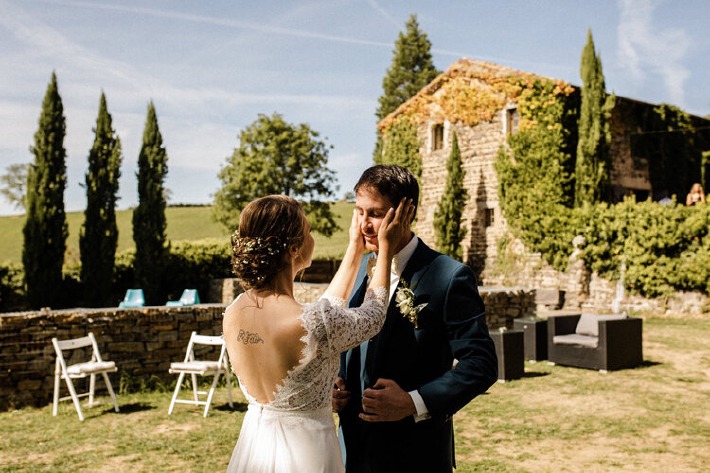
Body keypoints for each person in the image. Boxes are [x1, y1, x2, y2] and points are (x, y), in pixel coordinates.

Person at [223, 194, 414, 472]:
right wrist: (386, 248)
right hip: (305, 451)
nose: (312, 238)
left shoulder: (234, 311)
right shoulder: (314, 322)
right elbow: (372, 316)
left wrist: (354, 249)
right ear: (293, 249)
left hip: (256, 442)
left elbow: (323, 316)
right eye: (308, 231)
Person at [333, 165, 498, 473]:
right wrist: (334, 383)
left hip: (413, 454)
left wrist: (413, 402)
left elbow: (481, 365)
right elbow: (342, 336)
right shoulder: (356, 270)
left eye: (376, 214)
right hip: (349, 450)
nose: (364, 225)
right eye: (359, 212)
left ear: (404, 213)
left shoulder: (449, 276)